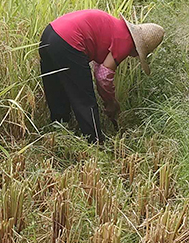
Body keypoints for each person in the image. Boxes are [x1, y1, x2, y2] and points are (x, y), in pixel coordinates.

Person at [39, 9, 163, 144]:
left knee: (56, 88)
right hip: (69, 41)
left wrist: (108, 99)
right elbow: (103, 77)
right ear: (138, 48)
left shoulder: (115, 27)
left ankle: (58, 133)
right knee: (84, 99)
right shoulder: (125, 41)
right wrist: (111, 102)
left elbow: (99, 66)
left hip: (49, 34)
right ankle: (95, 144)